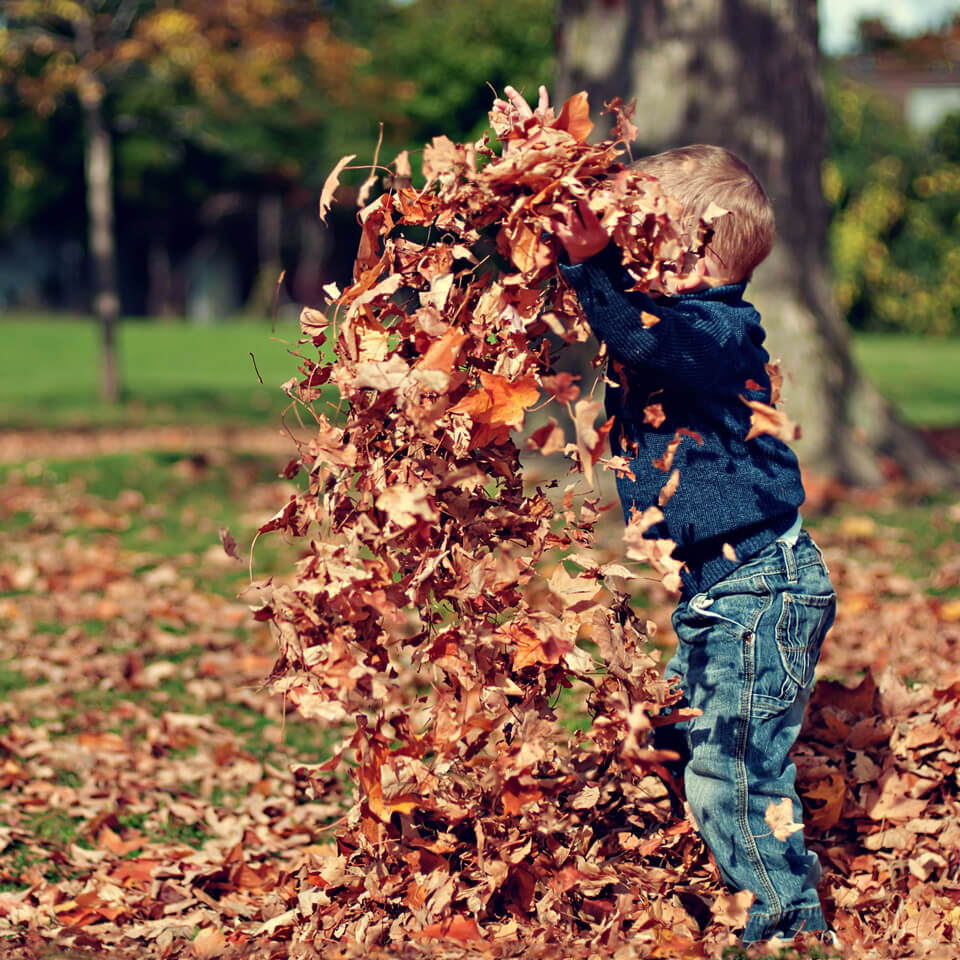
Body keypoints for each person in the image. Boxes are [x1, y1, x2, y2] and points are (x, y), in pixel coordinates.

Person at [494, 86, 838, 945]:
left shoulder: (718, 332)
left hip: (761, 589)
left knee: (731, 771)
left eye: (643, 236)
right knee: (689, 742)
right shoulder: (674, 319)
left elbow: (643, 338)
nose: (627, 252)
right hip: (725, 593)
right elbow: (626, 326)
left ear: (688, 254)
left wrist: (592, 265)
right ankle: (758, 868)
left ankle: (789, 928)